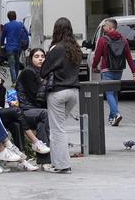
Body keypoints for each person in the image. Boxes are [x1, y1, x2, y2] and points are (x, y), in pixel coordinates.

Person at [0, 58, 50, 159]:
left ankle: (22, 159)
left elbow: (4, 104)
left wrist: (9, 106)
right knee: (16, 111)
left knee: (16, 124)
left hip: (1, 113)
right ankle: (35, 141)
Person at [41, 17, 82, 173]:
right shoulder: (76, 49)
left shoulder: (56, 48)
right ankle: (56, 163)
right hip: (74, 92)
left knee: (58, 129)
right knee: (57, 127)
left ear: (56, 30)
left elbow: (44, 70)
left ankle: (63, 166)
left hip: (58, 92)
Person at [90, 17, 135, 125]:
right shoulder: (123, 40)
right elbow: (129, 57)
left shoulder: (103, 40)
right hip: (118, 70)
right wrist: (134, 73)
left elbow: (97, 56)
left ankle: (116, 113)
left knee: (109, 93)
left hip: (107, 70)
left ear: (109, 27)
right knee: (114, 93)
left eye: (104, 26)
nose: (103, 27)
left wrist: (94, 67)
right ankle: (112, 118)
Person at [16, 48, 51, 165]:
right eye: (36, 56)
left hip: (35, 110)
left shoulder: (43, 73)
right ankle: (45, 160)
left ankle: (44, 160)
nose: (40, 58)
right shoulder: (28, 72)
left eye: (42, 56)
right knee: (45, 114)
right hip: (26, 110)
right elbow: (34, 96)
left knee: (43, 121)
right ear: (31, 59)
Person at [0, 10, 30, 83]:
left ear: (8, 17)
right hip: (18, 47)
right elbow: (27, 33)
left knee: (11, 64)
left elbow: (3, 37)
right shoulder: (20, 24)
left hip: (9, 48)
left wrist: (2, 45)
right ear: (15, 16)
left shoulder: (6, 26)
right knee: (16, 63)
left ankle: (14, 81)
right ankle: (16, 78)